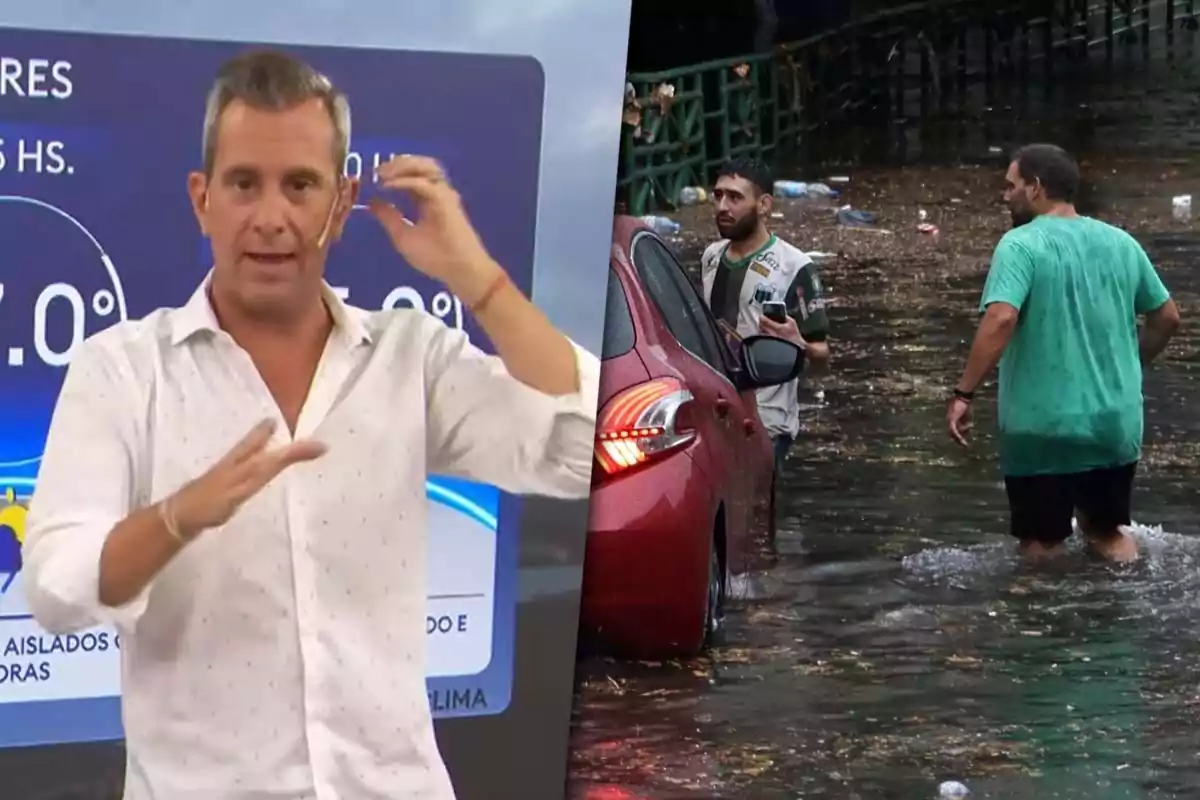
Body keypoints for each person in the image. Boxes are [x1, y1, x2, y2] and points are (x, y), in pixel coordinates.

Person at [22, 50, 598, 800]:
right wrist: (176, 517)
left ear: (341, 198)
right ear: (202, 199)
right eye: (243, 184)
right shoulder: (124, 371)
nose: (272, 217)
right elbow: (55, 588)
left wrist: (477, 281)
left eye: (300, 185)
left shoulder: (409, 358)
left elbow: (580, 448)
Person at [948, 143, 1180, 564]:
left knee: (1041, 541)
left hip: (1042, 427)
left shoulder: (1019, 245)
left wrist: (964, 394)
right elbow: (1167, 317)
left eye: (1011, 186)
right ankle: (1120, 606)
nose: (1006, 196)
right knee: (1108, 532)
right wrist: (1132, 364)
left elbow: (1001, 318)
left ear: (1035, 188)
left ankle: (1047, 626)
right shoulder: (1121, 242)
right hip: (1114, 421)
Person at [700, 157, 830, 474]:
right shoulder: (711, 257)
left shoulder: (794, 267)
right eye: (718, 196)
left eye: (735, 197)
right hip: (716, 413)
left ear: (764, 205)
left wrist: (798, 343)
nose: (722, 206)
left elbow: (823, 355)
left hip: (767, 423)